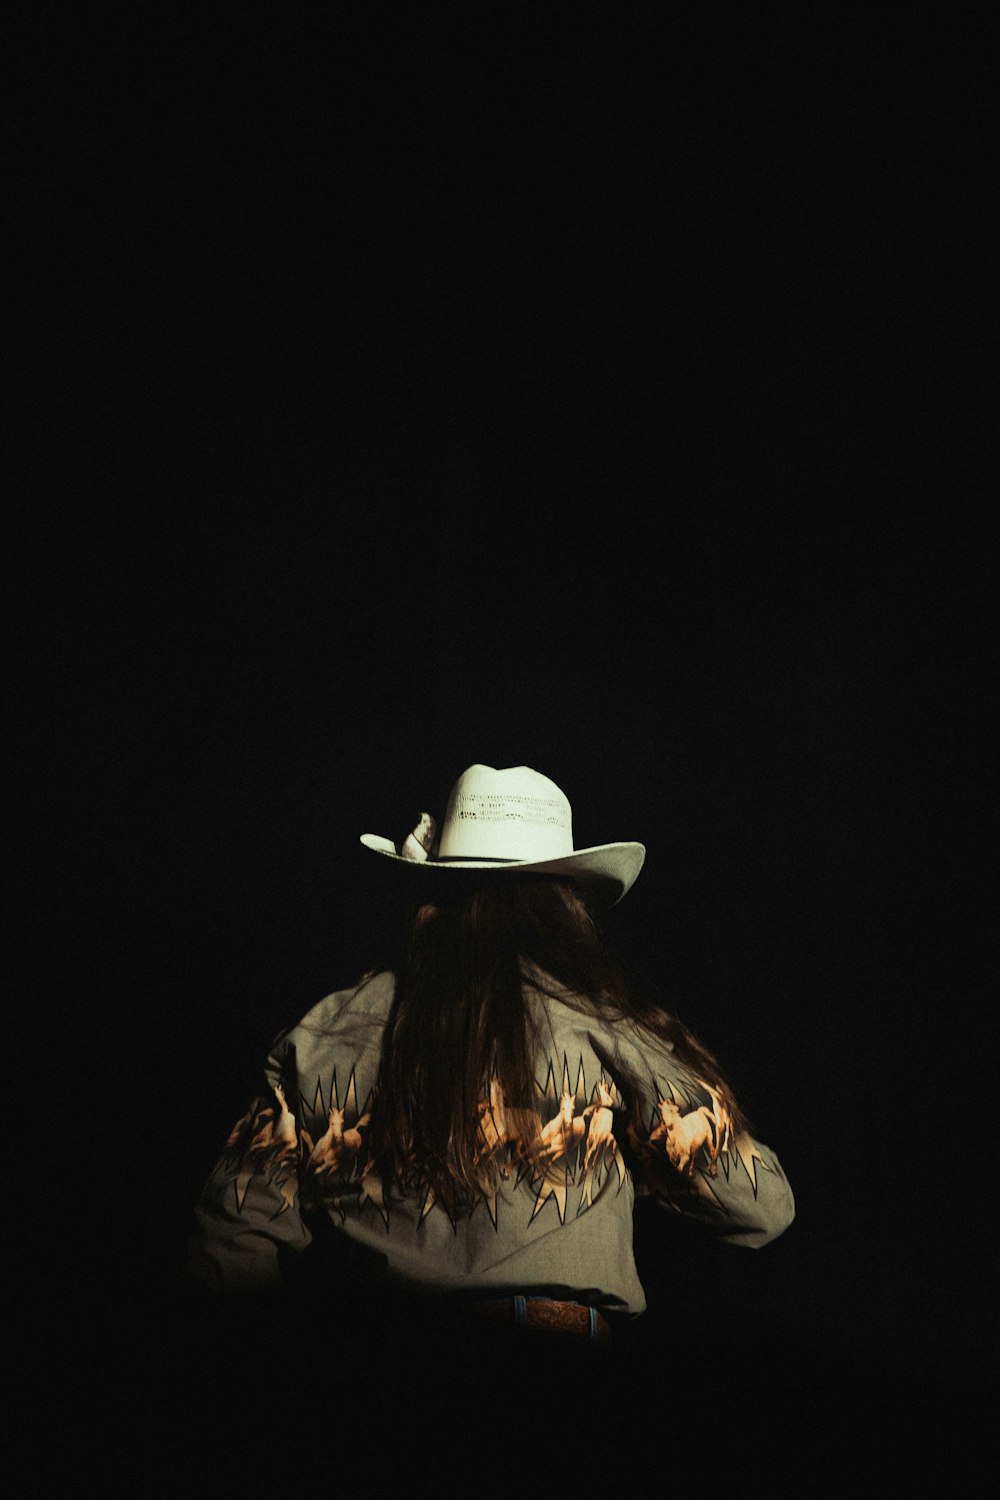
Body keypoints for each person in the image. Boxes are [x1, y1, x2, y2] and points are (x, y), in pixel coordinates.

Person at [186, 763, 794, 1365]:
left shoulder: (322, 1033)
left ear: (428, 890)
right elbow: (756, 1204)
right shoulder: (605, 1024)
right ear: (566, 906)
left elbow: (232, 1232)